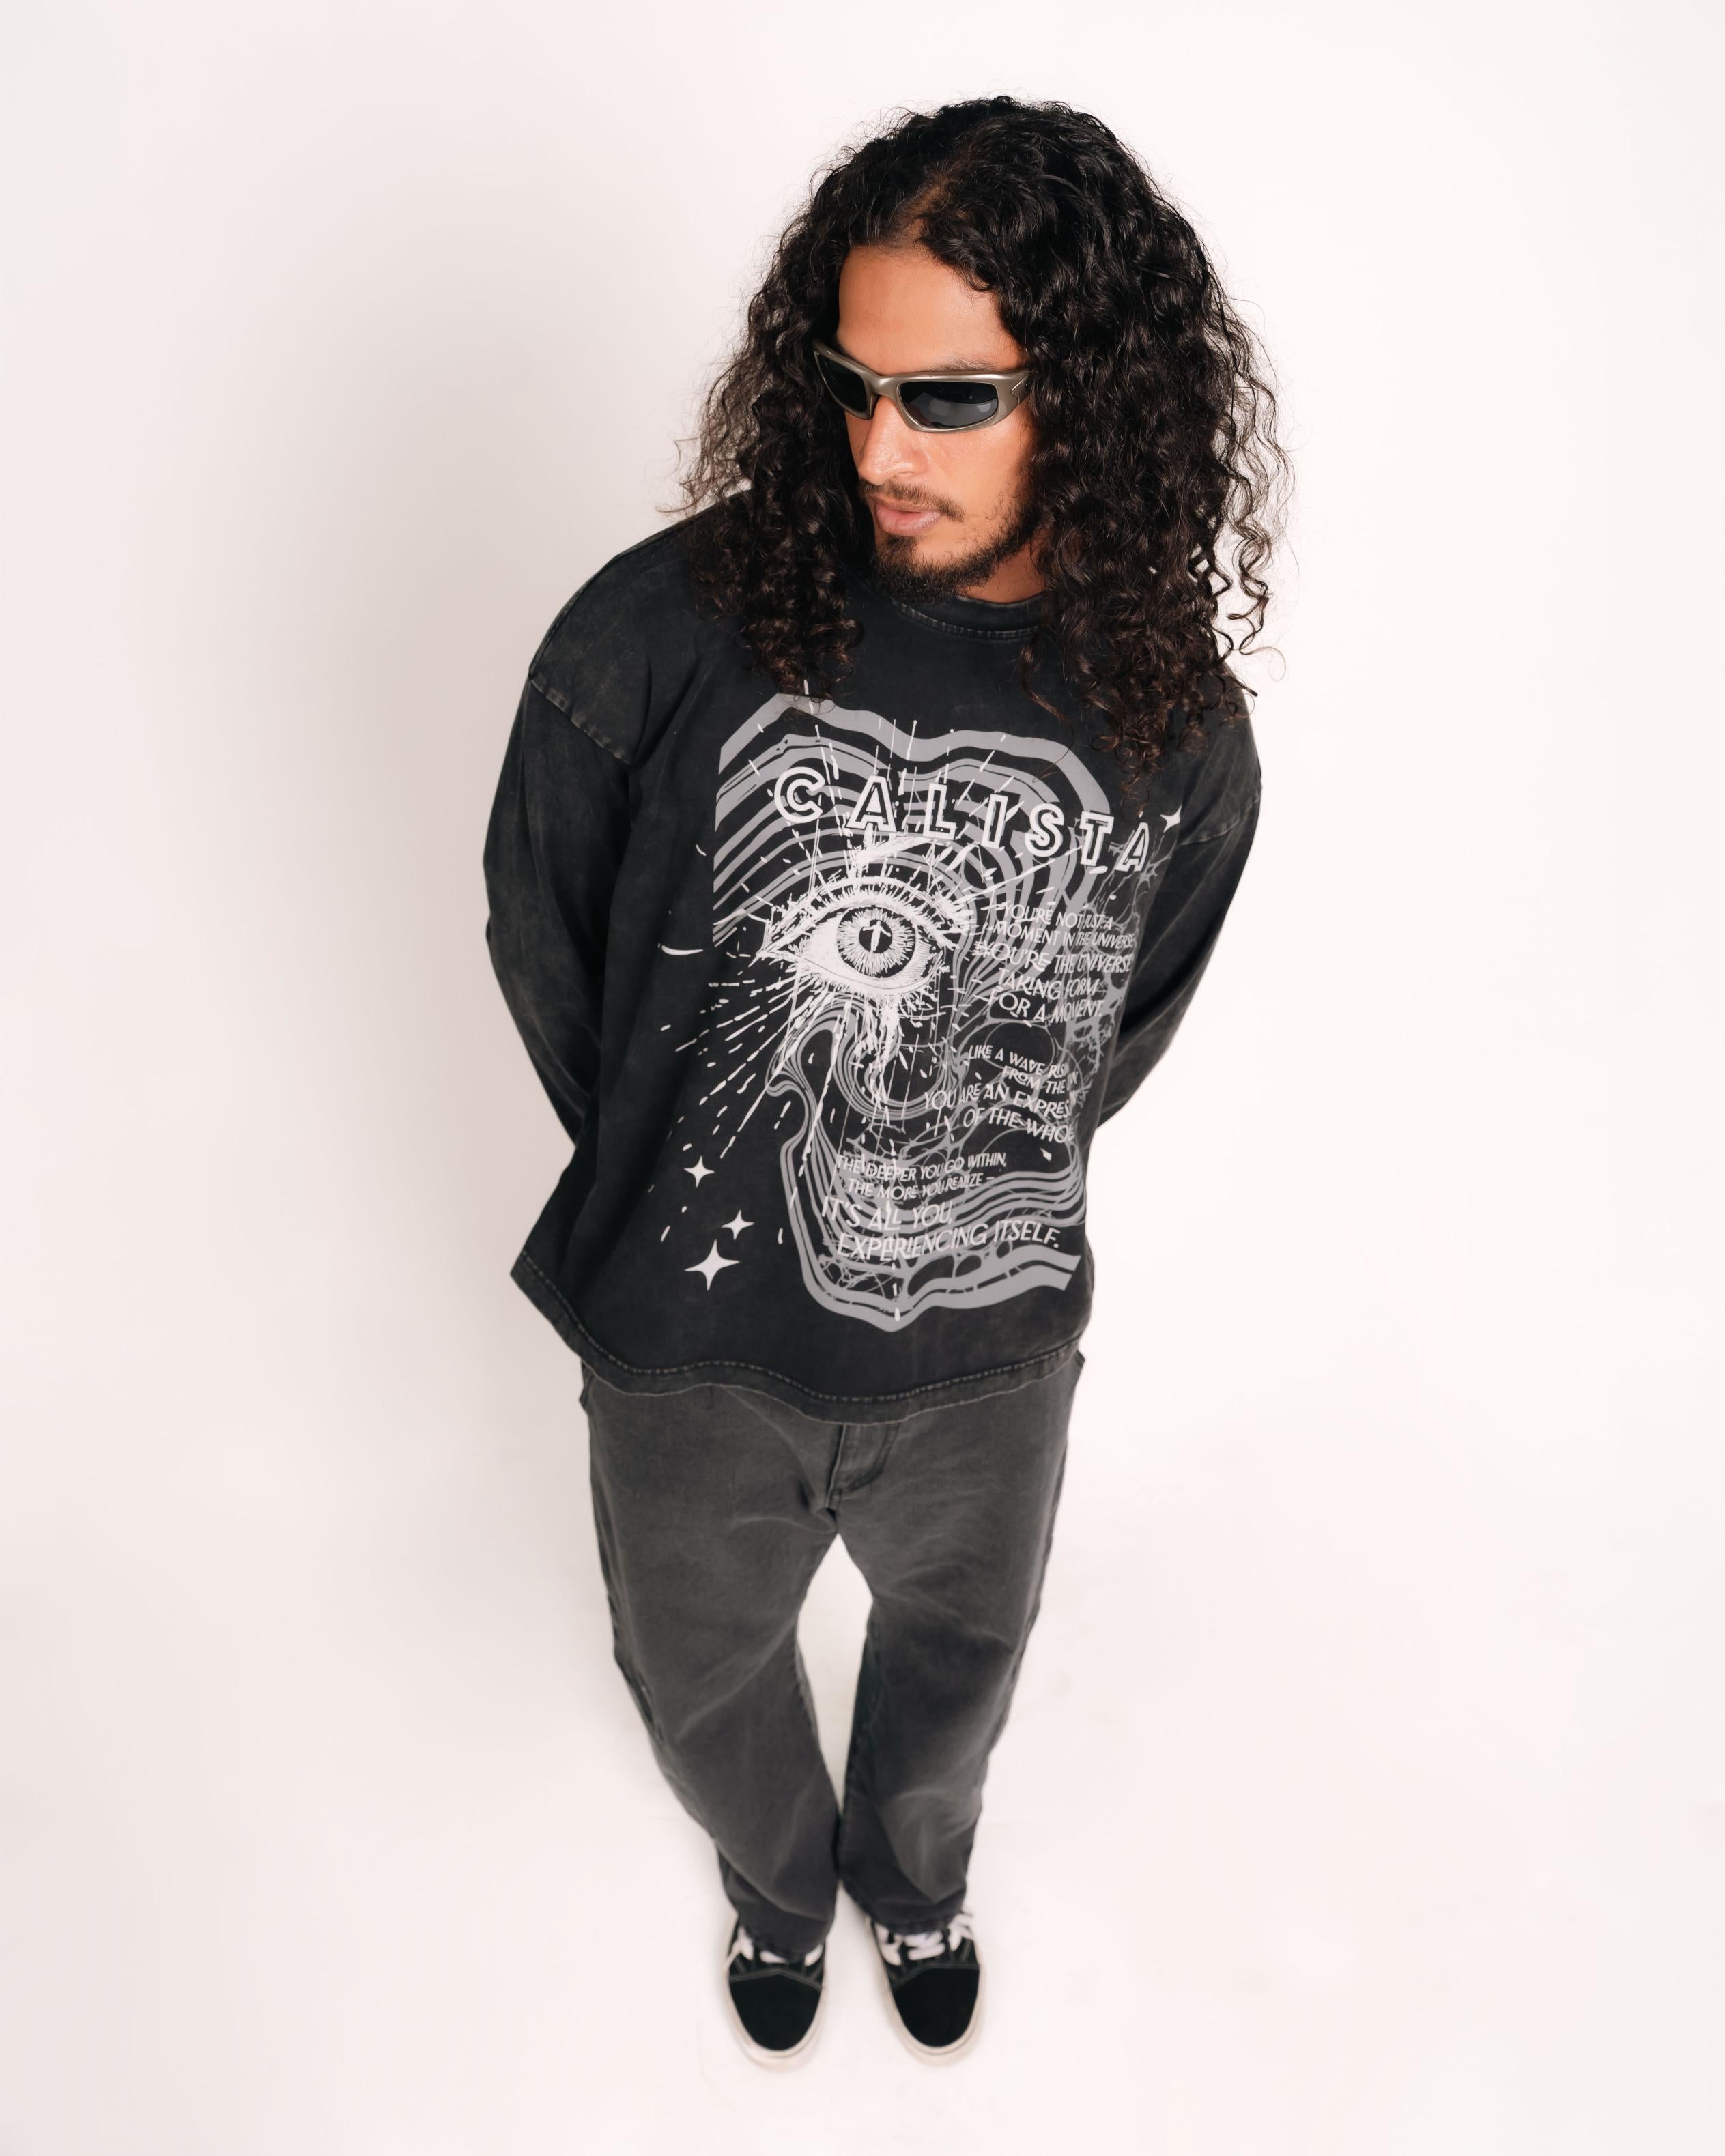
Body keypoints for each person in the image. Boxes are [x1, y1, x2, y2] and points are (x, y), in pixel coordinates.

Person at [483, 94, 1286, 2069]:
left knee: (961, 1669)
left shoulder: (1174, 720)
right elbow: (549, 940)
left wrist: (961, 1167)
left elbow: (1117, 1025)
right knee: (694, 1683)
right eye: (850, 387)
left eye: (949, 399)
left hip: (987, 1359)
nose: (876, 449)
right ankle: (777, 1891)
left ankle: (913, 1880)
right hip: (685, 1348)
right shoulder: (653, 636)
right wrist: (688, 1139)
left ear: (1091, 395)